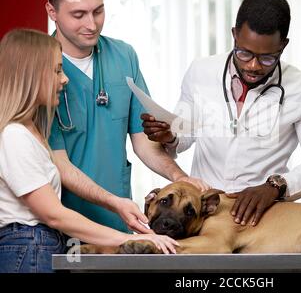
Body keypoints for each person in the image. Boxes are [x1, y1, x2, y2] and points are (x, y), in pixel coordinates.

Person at [142, 0, 301, 227]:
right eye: (244, 53)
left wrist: (275, 187)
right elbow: (186, 133)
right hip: (204, 214)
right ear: (234, 35)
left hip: (262, 217)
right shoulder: (201, 72)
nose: (253, 66)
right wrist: (170, 135)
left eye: (267, 58)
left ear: (283, 46)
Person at [0, 29, 178, 273]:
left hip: (42, 245)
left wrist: (117, 205)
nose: (65, 79)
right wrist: (127, 239)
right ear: (30, 76)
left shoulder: (31, 131)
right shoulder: (14, 136)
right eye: (56, 70)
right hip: (30, 248)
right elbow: (55, 215)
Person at [45, 0, 210, 234]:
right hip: (63, 223)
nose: (92, 24)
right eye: (78, 15)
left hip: (118, 222)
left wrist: (180, 178)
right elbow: (59, 164)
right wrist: (114, 203)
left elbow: (144, 142)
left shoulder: (123, 57)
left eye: (98, 11)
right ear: (52, 11)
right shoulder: (39, 67)